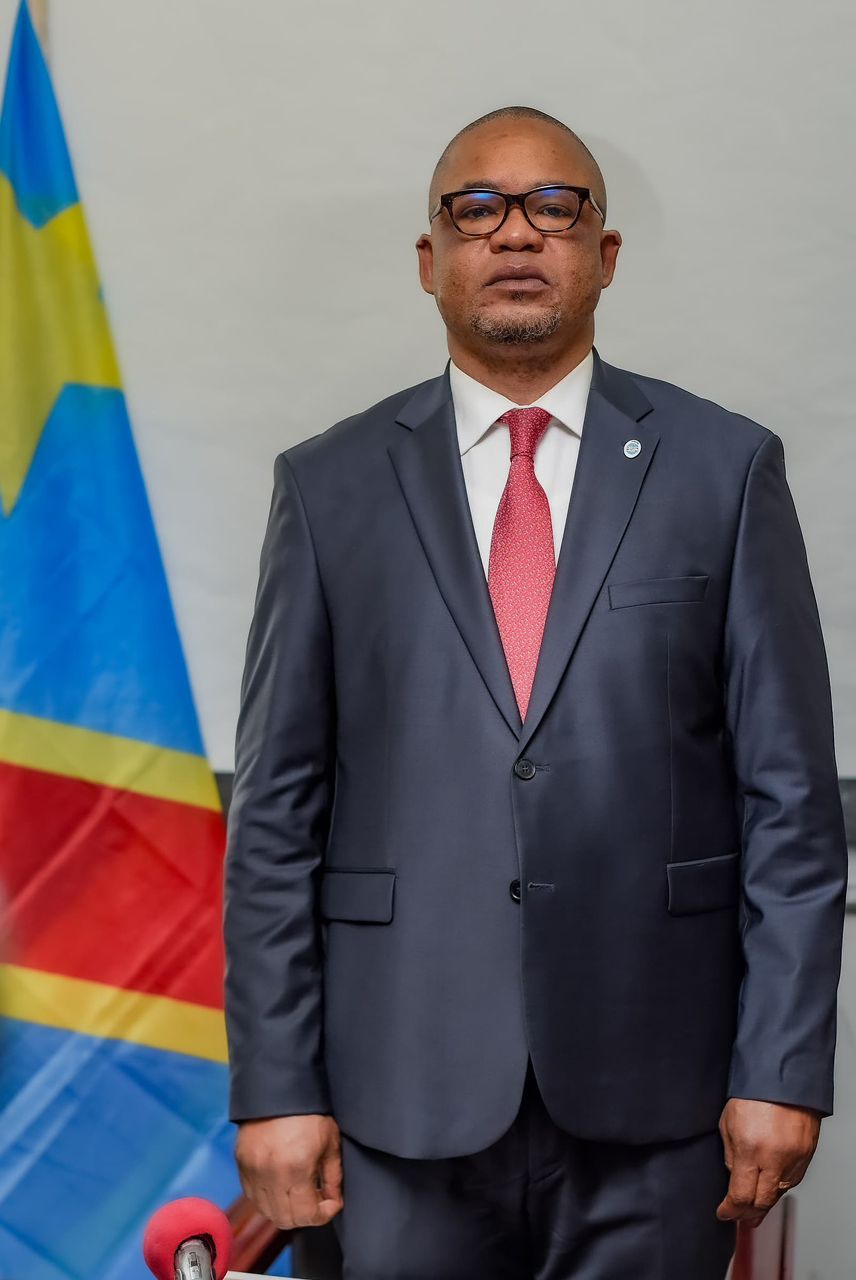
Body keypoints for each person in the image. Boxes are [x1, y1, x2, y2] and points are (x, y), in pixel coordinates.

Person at [223, 106, 849, 1279]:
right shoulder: (328, 486)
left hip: (658, 1098)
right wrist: (274, 1087)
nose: (515, 234)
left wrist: (781, 1068)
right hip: (392, 1101)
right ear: (430, 260)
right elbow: (274, 820)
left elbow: (791, 808)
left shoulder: (723, 470)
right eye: (477, 210)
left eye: (552, 207)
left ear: (603, 254)